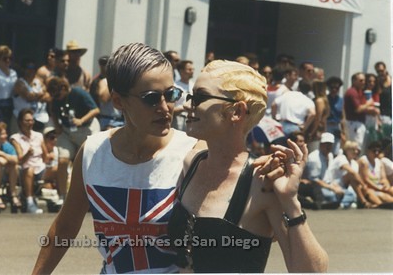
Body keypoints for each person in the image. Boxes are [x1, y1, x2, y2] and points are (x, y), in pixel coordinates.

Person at [33, 44, 287, 274]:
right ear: (119, 101)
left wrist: (265, 171)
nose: (166, 108)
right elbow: (64, 228)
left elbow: (253, 215)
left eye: (172, 95)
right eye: (151, 98)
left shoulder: (194, 154)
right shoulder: (92, 152)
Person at [167, 60, 327, 272]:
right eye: (190, 96)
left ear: (236, 112)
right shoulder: (192, 163)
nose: (187, 105)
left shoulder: (262, 182)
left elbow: (313, 271)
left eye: (200, 97)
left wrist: (290, 201)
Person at [10, 108, 47, 214]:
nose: (30, 123)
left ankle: (63, 200)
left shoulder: (39, 135)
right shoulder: (15, 138)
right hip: (25, 169)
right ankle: (30, 202)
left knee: (58, 168)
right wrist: (28, 154)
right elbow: (20, 160)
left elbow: (45, 157)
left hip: (41, 168)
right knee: (30, 170)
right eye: (27, 121)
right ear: (21, 122)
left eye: (32, 120)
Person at [324, 141, 378, 208]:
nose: (356, 152)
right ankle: (363, 202)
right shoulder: (341, 158)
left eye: (357, 150)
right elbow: (352, 173)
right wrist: (363, 185)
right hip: (333, 184)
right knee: (351, 176)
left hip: (345, 187)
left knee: (353, 193)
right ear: (347, 150)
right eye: (353, 149)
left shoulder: (354, 163)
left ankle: (342, 204)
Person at [343, 72, 379, 151]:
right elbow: (358, 109)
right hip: (354, 124)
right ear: (354, 81)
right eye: (361, 80)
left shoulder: (359, 92)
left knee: (360, 148)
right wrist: (368, 103)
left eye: (364, 81)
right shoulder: (352, 92)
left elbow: (362, 107)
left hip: (359, 124)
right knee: (356, 148)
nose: (363, 83)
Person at [12, 60, 50, 133]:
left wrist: (36, 95)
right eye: (29, 67)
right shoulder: (19, 82)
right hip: (21, 120)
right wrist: (41, 94)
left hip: (38, 119)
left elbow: (47, 97)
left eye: (34, 68)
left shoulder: (39, 81)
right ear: (24, 69)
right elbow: (29, 97)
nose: (31, 70)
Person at [89, 55, 124, 130]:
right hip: (106, 120)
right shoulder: (97, 81)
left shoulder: (121, 80)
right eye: (103, 64)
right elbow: (103, 98)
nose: (105, 67)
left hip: (121, 121)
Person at [357, 141, 393, 205]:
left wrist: (386, 185)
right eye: (374, 151)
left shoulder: (380, 162)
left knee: (391, 190)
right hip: (368, 188)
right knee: (377, 195)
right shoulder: (364, 161)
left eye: (378, 151)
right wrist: (379, 188)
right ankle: (380, 205)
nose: (376, 153)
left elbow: (383, 178)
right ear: (368, 151)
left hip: (379, 186)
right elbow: (366, 180)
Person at [172, 60, 194, 131]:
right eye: (189, 69)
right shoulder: (176, 87)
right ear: (181, 71)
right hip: (179, 119)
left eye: (193, 69)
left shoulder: (193, 85)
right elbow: (172, 106)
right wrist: (184, 108)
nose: (192, 71)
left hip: (191, 118)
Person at [326, 76, 346, 156]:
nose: (334, 89)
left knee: (336, 150)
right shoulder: (325, 99)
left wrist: (343, 132)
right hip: (326, 126)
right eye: (332, 87)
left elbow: (343, 117)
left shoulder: (341, 100)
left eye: (337, 88)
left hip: (336, 127)